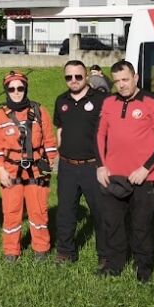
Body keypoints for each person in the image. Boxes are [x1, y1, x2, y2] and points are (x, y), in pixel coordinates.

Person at [95, 60, 154, 283]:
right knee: (113, 223)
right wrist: (101, 165)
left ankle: (143, 268)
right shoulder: (108, 102)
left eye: (125, 79)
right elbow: (99, 135)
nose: (121, 85)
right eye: (116, 81)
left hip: (142, 177)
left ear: (135, 78)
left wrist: (146, 169)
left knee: (141, 225)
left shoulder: (152, 102)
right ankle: (115, 265)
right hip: (113, 175)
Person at [0, 71, 58, 260]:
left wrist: (49, 162)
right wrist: (0, 168)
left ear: (25, 89)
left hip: (36, 169)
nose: (16, 92)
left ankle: (41, 248)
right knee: (11, 212)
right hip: (10, 170)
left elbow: (49, 140)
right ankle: (11, 251)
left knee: (39, 211)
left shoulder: (39, 111)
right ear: (6, 91)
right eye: (12, 88)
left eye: (20, 88)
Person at [54, 60, 109, 266]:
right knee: (66, 212)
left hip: (93, 166)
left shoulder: (102, 99)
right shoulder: (61, 100)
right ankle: (65, 252)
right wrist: (60, 154)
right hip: (67, 166)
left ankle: (105, 255)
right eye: (69, 77)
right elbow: (59, 129)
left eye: (78, 76)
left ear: (86, 76)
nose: (74, 80)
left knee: (101, 212)